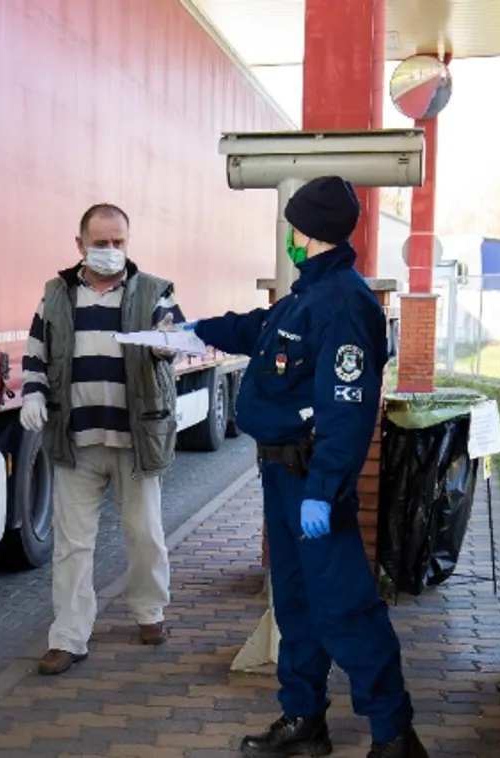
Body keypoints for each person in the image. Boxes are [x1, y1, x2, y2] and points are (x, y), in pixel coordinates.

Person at [183, 176, 429, 758]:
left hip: (311, 479)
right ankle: (304, 721)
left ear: (306, 231)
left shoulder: (343, 301)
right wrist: (192, 331)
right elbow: (256, 329)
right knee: (295, 603)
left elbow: (348, 410)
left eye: (292, 226)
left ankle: (394, 735)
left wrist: (323, 489)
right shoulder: (307, 296)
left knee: (343, 606)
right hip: (282, 478)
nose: (289, 235)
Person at [19, 202, 184, 676]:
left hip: (135, 441)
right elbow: (35, 356)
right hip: (77, 440)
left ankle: (149, 612)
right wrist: (32, 396)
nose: (110, 251)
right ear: (80, 245)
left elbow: (176, 338)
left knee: (145, 534)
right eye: (101, 243)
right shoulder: (55, 295)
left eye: (118, 243)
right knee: (73, 545)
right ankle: (69, 637)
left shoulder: (154, 291)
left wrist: (164, 342)